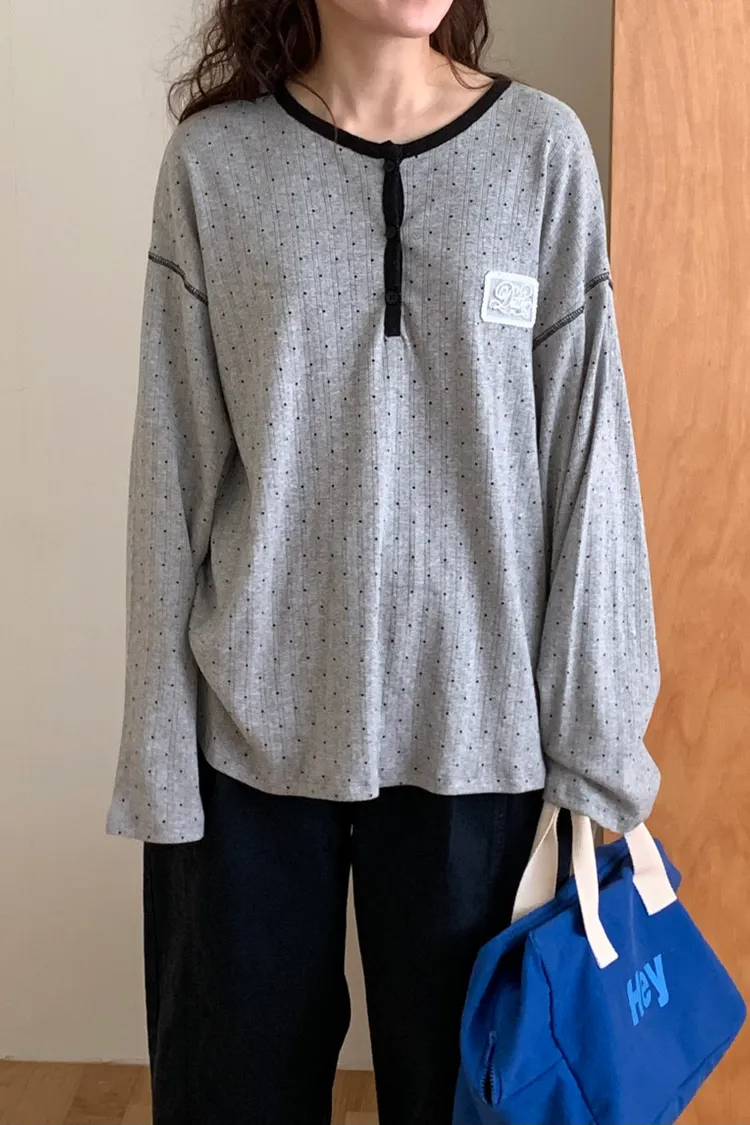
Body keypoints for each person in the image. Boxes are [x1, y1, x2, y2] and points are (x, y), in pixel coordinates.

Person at [106, 1, 662, 1122]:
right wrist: (159, 765)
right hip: (248, 749)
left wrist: (596, 749)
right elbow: (171, 481)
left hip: (479, 744)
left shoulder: (541, 154)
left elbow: (590, 469)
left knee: (469, 1104)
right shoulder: (215, 167)